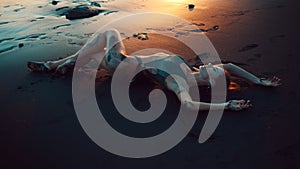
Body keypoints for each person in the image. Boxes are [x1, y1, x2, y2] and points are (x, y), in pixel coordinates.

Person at [27, 29, 281, 111]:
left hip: (120, 66)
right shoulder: (194, 70)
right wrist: (258, 80)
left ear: (210, 81)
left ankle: (57, 65)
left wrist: (226, 106)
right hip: (126, 60)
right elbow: (230, 67)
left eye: (213, 69)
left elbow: (190, 105)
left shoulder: (179, 81)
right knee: (97, 46)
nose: (214, 64)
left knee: (104, 38)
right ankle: (60, 65)